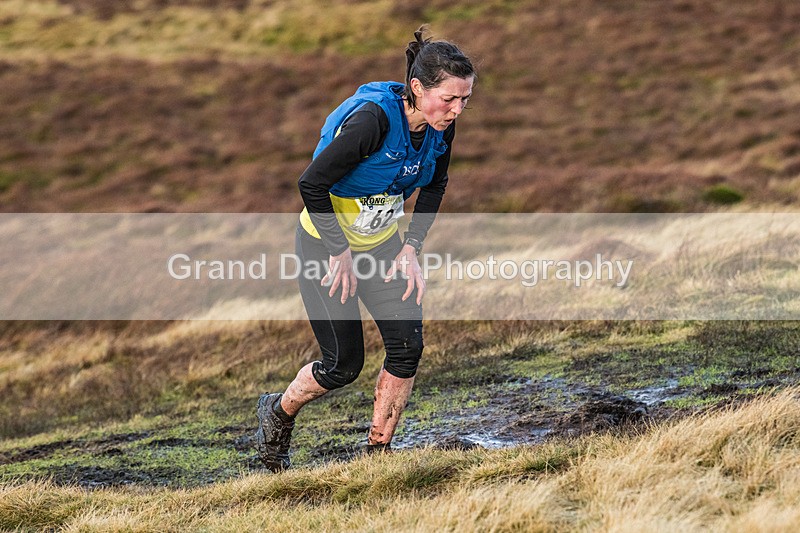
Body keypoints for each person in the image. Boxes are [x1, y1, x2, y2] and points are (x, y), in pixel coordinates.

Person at [254, 27, 475, 472]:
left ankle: (377, 455)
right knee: (342, 365)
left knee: (406, 346)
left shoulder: (439, 129)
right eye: (448, 98)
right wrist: (338, 251)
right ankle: (277, 413)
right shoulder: (372, 122)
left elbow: (435, 184)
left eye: (465, 99)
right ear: (417, 87)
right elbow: (311, 184)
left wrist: (411, 246)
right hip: (325, 248)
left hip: (382, 248)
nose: (456, 110)